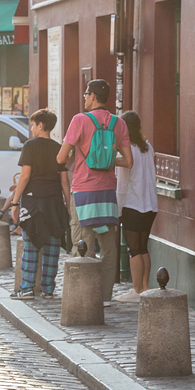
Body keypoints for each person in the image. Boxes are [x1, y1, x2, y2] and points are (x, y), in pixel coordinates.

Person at [57, 79, 133, 305]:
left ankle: (81, 296)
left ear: (92, 97)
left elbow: (60, 158)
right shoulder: (119, 124)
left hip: (83, 192)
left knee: (83, 243)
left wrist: (82, 157)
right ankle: (106, 296)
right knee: (108, 247)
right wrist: (107, 160)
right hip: (107, 193)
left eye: (85, 94)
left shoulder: (80, 120)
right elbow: (128, 161)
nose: (84, 98)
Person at [9, 109, 71, 301]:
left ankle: (27, 288)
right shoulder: (58, 148)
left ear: (40, 126)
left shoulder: (30, 146)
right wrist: (68, 206)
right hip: (54, 202)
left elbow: (25, 176)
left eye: (33, 125)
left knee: (31, 246)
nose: (32, 128)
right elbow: (64, 181)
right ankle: (48, 289)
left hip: (33, 202)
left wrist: (14, 202)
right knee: (52, 247)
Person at [114, 111, 157, 302]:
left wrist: (118, 209)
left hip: (132, 204)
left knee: (134, 250)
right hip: (150, 205)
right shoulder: (148, 147)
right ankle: (146, 288)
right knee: (143, 247)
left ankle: (137, 290)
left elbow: (122, 185)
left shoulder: (126, 151)